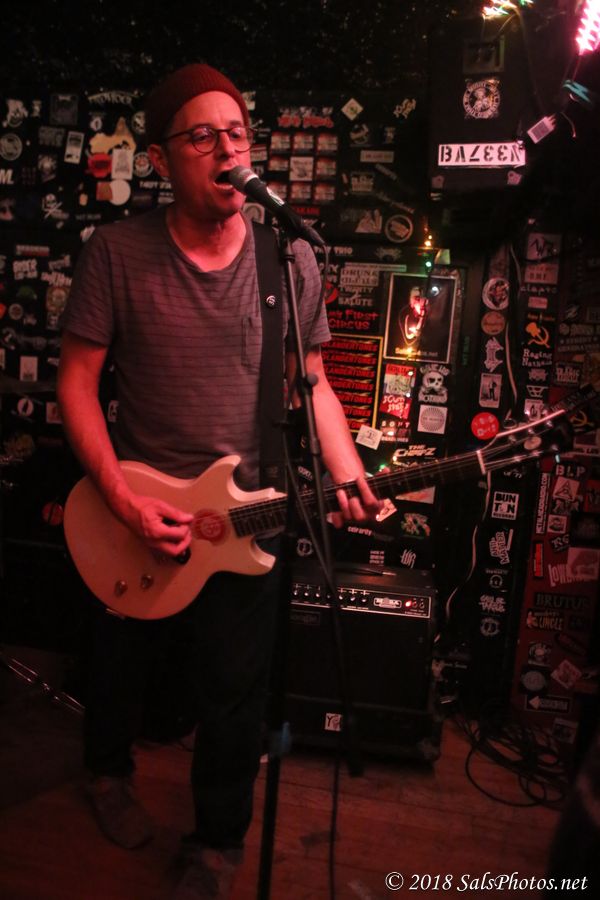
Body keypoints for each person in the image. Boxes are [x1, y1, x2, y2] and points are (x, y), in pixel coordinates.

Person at [57, 63, 380, 899]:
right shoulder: (117, 254)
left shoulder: (286, 257)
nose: (228, 149)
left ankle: (216, 844)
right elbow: (76, 386)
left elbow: (313, 384)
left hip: (246, 519)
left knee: (235, 693)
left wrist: (348, 472)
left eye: (237, 133)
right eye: (202, 136)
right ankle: (106, 774)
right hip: (135, 510)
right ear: (162, 160)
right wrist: (123, 500)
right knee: (120, 668)